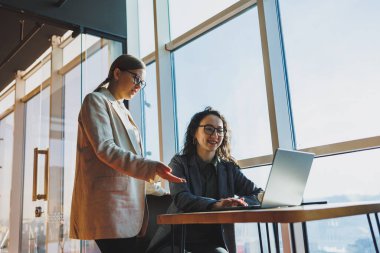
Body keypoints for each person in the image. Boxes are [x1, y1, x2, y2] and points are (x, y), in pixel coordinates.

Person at [69, 54, 185, 253]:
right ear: (116, 73)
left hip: (127, 209)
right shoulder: (95, 100)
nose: (139, 85)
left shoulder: (123, 110)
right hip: (108, 209)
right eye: (136, 79)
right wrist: (151, 167)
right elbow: (106, 149)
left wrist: (157, 189)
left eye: (143, 82)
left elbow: (128, 166)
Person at [147, 107, 263, 253]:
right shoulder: (179, 163)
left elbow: (258, 194)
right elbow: (182, 198)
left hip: (211, 242)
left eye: (220, 130)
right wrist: (216, 205)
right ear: (194, 133)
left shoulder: (229, 168)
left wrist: (238, 203)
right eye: (209, 129)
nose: (215, 134)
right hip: (175, 239)